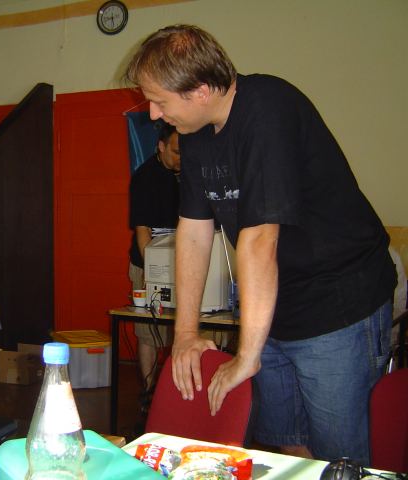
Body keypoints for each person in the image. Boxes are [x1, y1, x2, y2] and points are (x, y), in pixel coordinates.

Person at [124, 25, 396, 465]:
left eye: (160, 101)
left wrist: (246, 355)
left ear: (201, 91)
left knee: (340, 458)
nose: (154, 114)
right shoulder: (194, 133)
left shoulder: (268, 109)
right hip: (274, 306)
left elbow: (258, 240)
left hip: (338, 302)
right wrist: (186, 333)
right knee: (288, 441)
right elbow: (193, 231)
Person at [128, 120, 180, 393]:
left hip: (183, 264)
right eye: (176, 152)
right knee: (148, 331)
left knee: (184, 327)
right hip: (148, 263)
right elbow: (142, 232)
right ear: (161, 146)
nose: (181, 158)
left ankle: (175, 393)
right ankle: (148, 392)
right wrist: (153, 273)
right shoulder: (145, 178)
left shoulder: (191, 174)